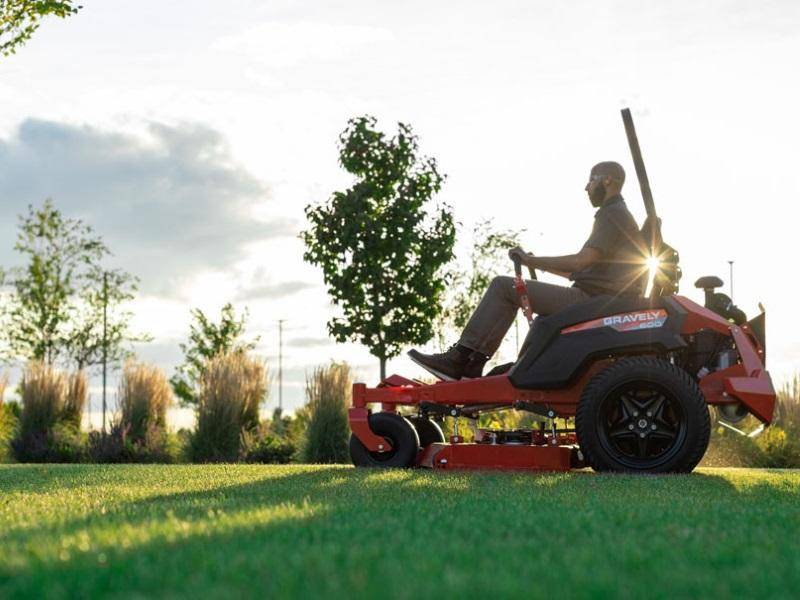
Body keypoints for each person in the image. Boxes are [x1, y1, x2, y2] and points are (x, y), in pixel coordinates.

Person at [408, 161, 647, 381]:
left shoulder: (612, 214)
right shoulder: (619, 215)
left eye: (592, 179)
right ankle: (473, 364)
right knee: (518, 296)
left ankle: (461, 358)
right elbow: (581, 272)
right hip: (597, 298)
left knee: (504, 287)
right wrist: (535, 263)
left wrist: (532, 262)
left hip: (592, 301)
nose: (587, 187)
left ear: (608, 180)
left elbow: (579, 263)